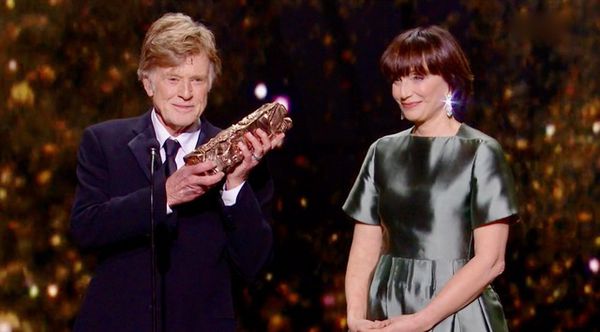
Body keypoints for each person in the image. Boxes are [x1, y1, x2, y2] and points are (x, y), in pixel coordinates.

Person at [70, 13, 284, 331]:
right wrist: (165, 196)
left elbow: (255, 265)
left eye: (196, 80)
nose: (186, 92)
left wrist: (234, 187)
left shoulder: (244, 154)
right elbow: (86, 229)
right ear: (147, 83)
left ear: (209, 85)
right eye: (173, 78)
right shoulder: (104, 143)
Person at [343, 25, 519, 332]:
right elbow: (364, 248)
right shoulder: (381, 151)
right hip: (387, 307)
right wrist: (355, 317)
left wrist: (422, 320)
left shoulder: (481, 151)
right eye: (397, 79)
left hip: (458, 310)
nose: (404, 91)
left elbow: (491, 260)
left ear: (450, 81)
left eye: (418, 77)